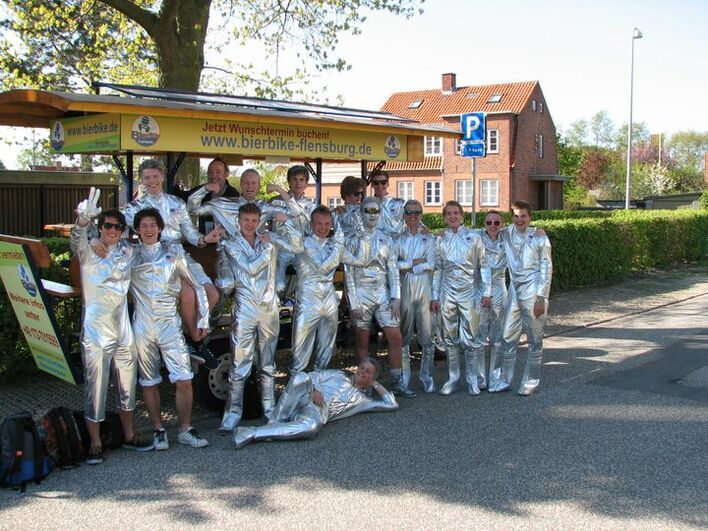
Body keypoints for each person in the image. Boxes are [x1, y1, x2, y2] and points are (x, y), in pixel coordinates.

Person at [70, 188, 153, 465]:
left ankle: (129, 435)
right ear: (100, 227)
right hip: (95, 331)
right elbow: (76, 241)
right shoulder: (89, 250)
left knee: (128, 384)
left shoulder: (128, 250)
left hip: (122, 329)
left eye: (117, 227)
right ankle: (95, 442)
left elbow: (153, 244)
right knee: (96, 387)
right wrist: (83, 223)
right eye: (107, 226)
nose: (112, 231)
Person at [122, 159, 222, 367]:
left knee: (211, 293)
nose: (152, 181)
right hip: (154, 260)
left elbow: (191, 234)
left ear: (162, 176)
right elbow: (117, 230)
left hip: (179, 255)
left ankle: (189, 337)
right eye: (147, 177)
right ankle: (195, 340)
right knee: (187, 293)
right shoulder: (134, 208)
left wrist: (205, 239)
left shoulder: (177, 203)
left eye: (155, 176)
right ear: (141, 180)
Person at [217, 203, 303, 434]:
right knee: (239, 364)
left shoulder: (269, 237)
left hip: (268, 308)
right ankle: (232, 414)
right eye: (246, 220)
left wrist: (285, 224)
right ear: (239, 220)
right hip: (244, 309)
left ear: (260, 221)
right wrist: (266, 250)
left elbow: (297, 246)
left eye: (254, 220)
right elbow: (249, 268)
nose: (250, 224)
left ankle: (269, 410)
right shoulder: (230, 244)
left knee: (267, 363)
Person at [130, 208, 211, 450]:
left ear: (160, 227)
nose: (148, 229)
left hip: (170, 326)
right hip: (142, 327)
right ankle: (158, 430)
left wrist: (203, 319)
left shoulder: (174, 253)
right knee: (149, 382)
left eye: (152, 225)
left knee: (184, 378)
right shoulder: (129, 255)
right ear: (137, 229)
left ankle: (185, 428)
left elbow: (196, 286)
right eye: (143, 225)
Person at [232, 357, 398, 448]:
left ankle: (251, 433)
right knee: (300, 377)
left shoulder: (362, 401)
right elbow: (309, 376)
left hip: (315, 412)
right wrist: (314, 390)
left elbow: (391, 404)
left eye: (367, 372)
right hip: (304, 396)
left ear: (372, 378)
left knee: (311, 427)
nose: (362, 372)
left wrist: (375, 384)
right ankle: (274, 423)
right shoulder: (338, 374)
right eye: (361, 367)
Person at [344, 196, 415, 397]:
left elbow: (392, 270)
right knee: (362, 342)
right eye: (368, 210)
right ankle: (362, 386)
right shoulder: (352, 240)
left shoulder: (387, 239)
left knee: (396, 337)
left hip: (383, 294)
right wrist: (354, 302)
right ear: (361, 212)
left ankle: (398, 381)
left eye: (376, 211)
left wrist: (396, 297)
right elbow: (348, 272)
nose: (372, 215)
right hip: (361, 293)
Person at [289, 206, 370, 375]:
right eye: (319, 223)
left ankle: (318, 390)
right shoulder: (304, 243)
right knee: (300, 352)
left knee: (326, 350)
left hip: (329, 301)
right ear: (311, 224)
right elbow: (322, 267)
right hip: (307, 301)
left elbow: (360, 260)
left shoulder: (334, 245)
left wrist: (363, 237)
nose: (323, 227)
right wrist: (338, 246)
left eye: (327, 224)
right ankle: (295, 393)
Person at [489, 200, 553, 395]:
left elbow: (546, 268)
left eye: (523, 216)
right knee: (507, 336)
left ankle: (531, 380)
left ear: (530, 217)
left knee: (534, 339)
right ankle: (505, 379)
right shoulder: (506, 233)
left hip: (534, 293)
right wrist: (437, 233)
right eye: (516, 216)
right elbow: (481, 232)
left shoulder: (539, 238)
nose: (519, 219)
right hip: (514, 293)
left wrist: (541, 297)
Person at [430, 201, 491, 396]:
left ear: (462, 215)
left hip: (469, 293)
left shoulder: (474, 238)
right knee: (449, 337)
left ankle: (472, 378)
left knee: (472, 336)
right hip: (447, 294)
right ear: (444, 217)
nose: (453, 216)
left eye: (456, 213)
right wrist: (435, 296)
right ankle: (453, 377)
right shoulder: (440, 240)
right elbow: (438, 269)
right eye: (448, 213)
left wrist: (486, 292)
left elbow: (484, 266)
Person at [395, 199, 437, 393]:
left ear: (421, 215)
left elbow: (432, 264)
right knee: (404, 334)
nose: (412, 216)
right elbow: (394, 265)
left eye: (416, 212)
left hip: (425, 290)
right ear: (404, 216)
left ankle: (426, 376)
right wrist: (413, 262)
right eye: (409, 212)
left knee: (427, 335)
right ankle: (404, 377)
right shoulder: (398, 239)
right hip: (404, 290)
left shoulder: (429, 238)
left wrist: (414, 266)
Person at [272, 165, 317, 298]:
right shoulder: (276, 202)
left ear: (306, 183)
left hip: (301, 250)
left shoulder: (311, 206)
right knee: (279, 284)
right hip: (281, 249)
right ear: (289, 182)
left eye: (301, 180)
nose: (298, 183)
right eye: (295, 179)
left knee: (307, 281)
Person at [476, 210, 508, 391]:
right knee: (479, 336)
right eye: (489, 223)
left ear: (502, 224)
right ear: (484, 224)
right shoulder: (477, 237)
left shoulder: (507, 237)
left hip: (500, 287)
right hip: (481, 289)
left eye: (497, 223)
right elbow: (454, 229)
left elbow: (524, 229)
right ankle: (480, 378)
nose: (493, 226)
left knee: (497, 337)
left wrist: (538, 230)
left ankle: (495, 377)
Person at [176, 157, 240, 233]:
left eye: (218, 172)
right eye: (210, 172)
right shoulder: (203, 189)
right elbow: (183, 199)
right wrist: (174, 184)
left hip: (226, 240)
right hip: (205, 240)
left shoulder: (233, 194)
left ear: (226, 174)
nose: (213, 176)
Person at [369, 169, 406, 237]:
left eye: (383, 182)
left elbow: (415, 220)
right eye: (376, 183)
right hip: (374, 245)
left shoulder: (400, 204)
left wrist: (423, 229)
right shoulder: (366, 206)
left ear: (388, 184)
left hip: (395, 244)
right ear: (372, 185)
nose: (380, 185)